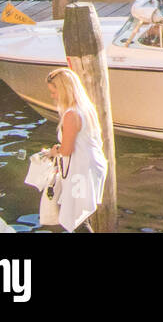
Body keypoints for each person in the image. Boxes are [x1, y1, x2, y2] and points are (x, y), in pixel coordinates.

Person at [43, 68, 108, 232]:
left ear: (65, 90)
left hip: (81, 171)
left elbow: (66, 150)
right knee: (82, 214)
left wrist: (54, 151)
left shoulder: (71, 115)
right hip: (91, 166)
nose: (52, 96)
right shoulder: (86, 108)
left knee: (77, 219)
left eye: (54, 92)